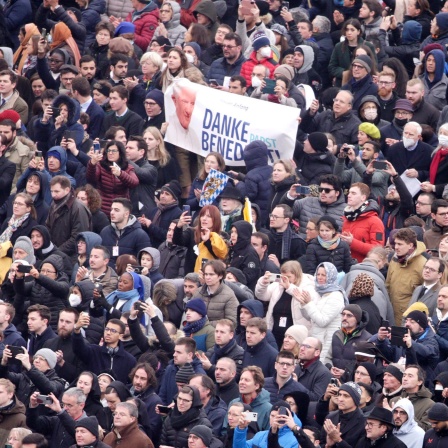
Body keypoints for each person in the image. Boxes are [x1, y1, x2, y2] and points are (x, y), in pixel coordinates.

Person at [298, 262, 347, 362]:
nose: (320, 277)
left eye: (324, 275)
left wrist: (309, 303)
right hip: (317, 340)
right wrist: (303, 304)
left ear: (331, 276)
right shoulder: (322, 293)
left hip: (326, 344)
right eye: (318, 274)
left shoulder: (336, 296)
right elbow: (311, 318)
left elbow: (322, 321)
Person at [72, 317, 137, 384]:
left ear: (120, 336)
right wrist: (77, 330)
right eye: (107, 329)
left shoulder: (130, 360)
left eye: (113, 331)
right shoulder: (94, 351)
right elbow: (78, 349)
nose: (108, 333)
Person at [386, 228, 427, 325]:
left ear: (410, 245)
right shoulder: (394, 259)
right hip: (392, 315)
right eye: (395, 243)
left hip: (409, 320)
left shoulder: (423, 264)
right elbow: (387, 284)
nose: (396, 247)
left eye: (400, 244)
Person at [45, 176, 92, 259]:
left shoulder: (78, 208)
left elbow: (78, 237)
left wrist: (57, 252)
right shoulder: (54, 204)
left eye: (56, 191)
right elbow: (48, 227)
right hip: (56, 253)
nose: (53, 195)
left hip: (72, 257)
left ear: (67, 190)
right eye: (51, 191)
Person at [100, 197, 151, 269]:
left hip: (128, 277)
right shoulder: (105, 232)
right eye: (111, 209)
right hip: (107, 276)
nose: (112, 213)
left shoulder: (140, 235)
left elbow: (143, 263)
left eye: (116, 210)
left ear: (126, 214)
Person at [341, 182, 385, 263]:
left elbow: (378, 250)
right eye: (349, 192)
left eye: (353, 193)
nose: (349, 195)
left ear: (363, 197)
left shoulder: (375, 221)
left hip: (365, 267)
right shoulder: (347, 219)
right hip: (347, 266)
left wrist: (353, 242)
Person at [317, 381, 366, 447]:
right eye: (339, 394)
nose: (340, 399)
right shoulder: (330, 417)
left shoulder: (364, 422)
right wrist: (328, 446)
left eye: (346, 396)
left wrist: (339, 440)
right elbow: (322, 443)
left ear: (355, 400)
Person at [233, 401, 300, 448]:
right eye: (272, 415)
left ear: (287, 418)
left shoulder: (295, 441)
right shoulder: (260, 435)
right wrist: (241, 429)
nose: (275, 419)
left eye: (279, 416)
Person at [328, 19, 375, 87]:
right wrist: (346, 73)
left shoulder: (368, 46)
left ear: (358, 31)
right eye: (347, 30)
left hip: (363, 82)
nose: (349, 33)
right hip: (343, 83)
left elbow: (374, 65)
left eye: (352, 30)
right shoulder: (339, 46)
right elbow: (332, 67)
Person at [327, 304, 372, 375]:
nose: (344, 318)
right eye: (343, 314)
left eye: (349, 315)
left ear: (357, 319)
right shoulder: (337, 334)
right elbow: (328, 357)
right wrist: (330, 368)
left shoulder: (367, 339)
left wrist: (346, 374)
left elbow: (366, 368)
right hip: (334, 378)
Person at [389, 365, 435, 431]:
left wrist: (408, 412)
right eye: (404, 375)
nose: (405, 378)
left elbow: (426, 430)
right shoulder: (394, 400)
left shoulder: (429, 404)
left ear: (419, 382)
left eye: (410, 376)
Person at [196, 260, 239, 327]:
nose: (207, 277)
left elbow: (231, 321)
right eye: (206, 274)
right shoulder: (198, 292)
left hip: (218, 334)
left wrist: (205, 325)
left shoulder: (229, 295)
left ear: (220, 276)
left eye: (211, 274)